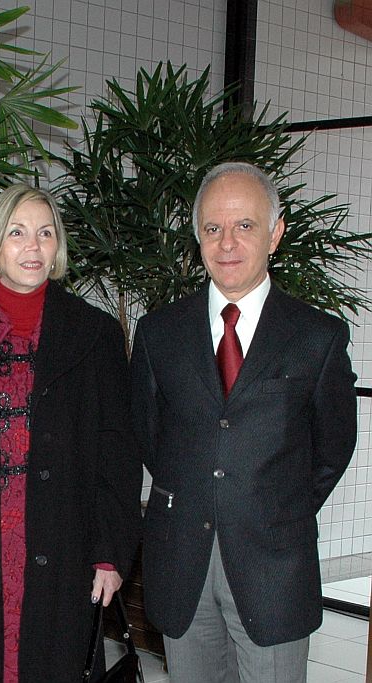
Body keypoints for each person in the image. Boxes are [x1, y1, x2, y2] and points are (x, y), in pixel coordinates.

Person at [130, 162, 357, 683]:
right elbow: (150, 435)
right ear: (198, 238)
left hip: (273, 564)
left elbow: (332, 447)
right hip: (182, 561)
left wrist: (274, 506)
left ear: (275, 234)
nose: (227, 242)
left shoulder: (317, 337)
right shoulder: (158, 333)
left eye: (245, 225)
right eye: (213, 228)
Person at [0, 184, 142, 681]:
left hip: (64, 542)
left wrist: (110, 553)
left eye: (45, 234)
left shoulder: (95, 333)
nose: (33, 247)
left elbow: (118, 450)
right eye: (17, 233)